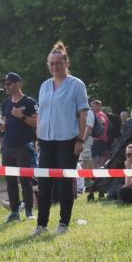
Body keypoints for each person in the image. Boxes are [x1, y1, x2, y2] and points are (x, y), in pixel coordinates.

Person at [33, 41, 89, 237]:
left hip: (67, 140)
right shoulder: (44, 86)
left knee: (65, 184)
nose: (54, 67)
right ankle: (41, 224)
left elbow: (83, 114)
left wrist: (80, 140)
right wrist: (38, 136)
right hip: (46, 141)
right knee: (44, 184)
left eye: (58, 63)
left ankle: (64, 222)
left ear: (66, 63)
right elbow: (41, 112)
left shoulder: (76, 85)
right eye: (51, 63)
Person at [0, 73, 38, 223]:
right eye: (5, 84)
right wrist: (3, 126)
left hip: (24, 145)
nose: (6, 87)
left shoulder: (29, 102)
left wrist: (21, 116)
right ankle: (14, 211)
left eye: (9, 84)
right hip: (8, 146)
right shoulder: (6, 103)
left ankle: (29, 211)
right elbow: (5, 121)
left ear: (18, 84)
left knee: (25, 180)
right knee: (10, 181)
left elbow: (36, 123)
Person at [89, 100, 112, 168]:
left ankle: (95, 175)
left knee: (94, 157)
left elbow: (102, 125)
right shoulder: (103, 114)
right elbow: (109, 126)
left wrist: (97, 135)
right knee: (101, 157)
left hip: (98, 139)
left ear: (98, 106)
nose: (91, 108)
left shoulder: (99, 114)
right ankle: (100, 174)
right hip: (103, 139)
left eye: (93, 106)